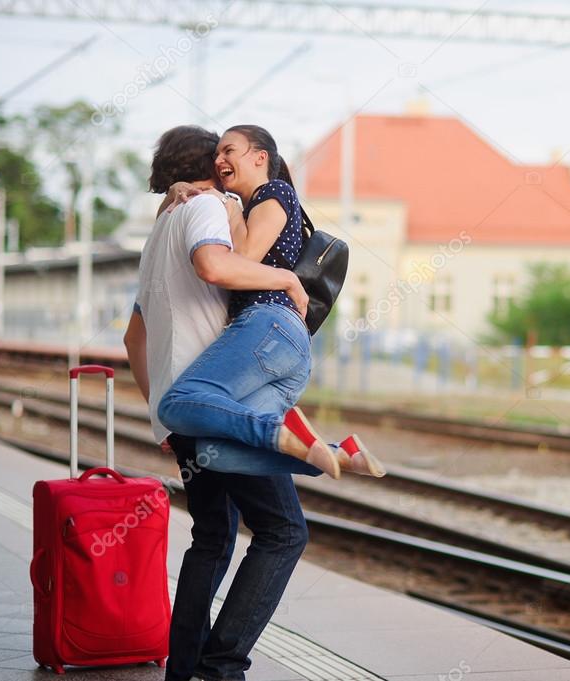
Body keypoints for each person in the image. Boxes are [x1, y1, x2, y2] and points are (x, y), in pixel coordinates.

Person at [123, 125, 380, 681]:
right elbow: (218, 265)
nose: (224, 165)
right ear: (209, 169)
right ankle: (222, 669)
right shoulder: (207, 208)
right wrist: (286, 277)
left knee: (212, 538)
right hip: (219, 397)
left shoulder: (158, 231)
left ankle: (185, 671)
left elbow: (132, 341)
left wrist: (159, 415)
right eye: (219, 157)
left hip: (184, 408)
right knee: (284, 532)